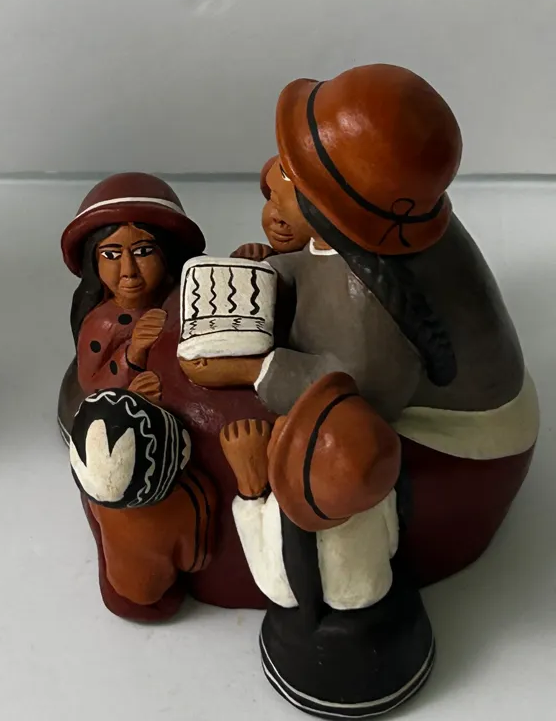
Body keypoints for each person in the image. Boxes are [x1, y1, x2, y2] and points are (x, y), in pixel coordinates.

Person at [188, 64, 539, 717]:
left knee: (265, 440)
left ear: (336, 208)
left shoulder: (372, 295)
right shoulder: (368, 236)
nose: (279, 179)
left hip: (456, 440)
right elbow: (318, 264)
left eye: (297, 178)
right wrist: (274, 272)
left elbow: (356, 399)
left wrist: (253, 371)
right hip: (375, 372)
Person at [56, 173, 206, 438]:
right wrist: (133, 353)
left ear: (167, 253)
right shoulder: (102, 324)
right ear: (93, 261)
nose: (128, 270)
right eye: (111, 255)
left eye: (143, 252)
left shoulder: (187, 291)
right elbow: (91, 385)